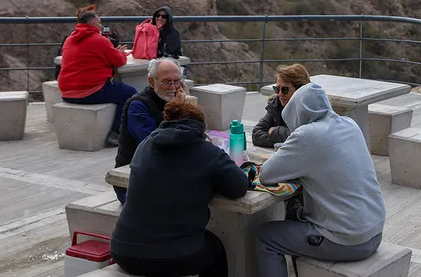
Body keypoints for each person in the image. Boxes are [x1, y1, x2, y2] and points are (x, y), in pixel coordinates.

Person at [110, 94, 249, 277]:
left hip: (124, 251)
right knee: (215, 248)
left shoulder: (145, 145)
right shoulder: (208, 152)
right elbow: (239, 187)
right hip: (174, 257)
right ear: (200, 126)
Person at [255, 83, 386, 277]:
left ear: (296, 112)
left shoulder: (306, 136)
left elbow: (266, 174)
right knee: (295, 214)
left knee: (265, 236)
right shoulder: (349, 124)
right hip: (374, 230)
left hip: (348, 240)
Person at [58, 7, 136, 146]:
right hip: (89, 92)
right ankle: (116, 133)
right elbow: (118, 61)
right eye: (99, 23)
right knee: (130, 93)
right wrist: (119, 53)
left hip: (66, 92)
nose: (101, 26)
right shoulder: (100, 40)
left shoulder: (69, 39)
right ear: (93, 24)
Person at [113, 58, 187, 204]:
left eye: (177, 81)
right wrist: (177, 110)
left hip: (165, 170)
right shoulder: (137, 106)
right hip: (133, 182)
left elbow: (195, 135)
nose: (173, 87)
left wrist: (186, 108)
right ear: (151, 81)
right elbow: (156, 144)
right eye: (166, 82)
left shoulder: (177, 101)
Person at [252, 64, 311, 148]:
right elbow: (256, 135)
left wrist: (275, 131)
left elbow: (305, 138)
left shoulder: (310, 108)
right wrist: (284, 139)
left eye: (285, 89)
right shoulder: (276, 105)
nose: (280, 94)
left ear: (299, 90)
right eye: (277, 89)